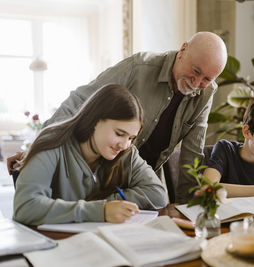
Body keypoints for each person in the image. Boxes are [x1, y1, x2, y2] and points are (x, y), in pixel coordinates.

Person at [8, 31, 228, 203]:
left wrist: (187, 209)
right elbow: (80, 101)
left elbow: (193, 152)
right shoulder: (139, 67)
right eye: (195, 71)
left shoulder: (206, 92)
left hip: (144, 174)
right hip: (107, 169)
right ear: (183, 50)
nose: (197, 83)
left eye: (207, 78)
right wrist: (38, 146)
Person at [13, 84, 168, 225]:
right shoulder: (52, 143)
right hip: (56, 246)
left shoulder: (127, 152)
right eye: (119, 133)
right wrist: (100, 210)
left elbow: (158, 194)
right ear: (95, 121)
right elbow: (26, 206)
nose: (124, 144)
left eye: (131, 138)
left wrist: (109, 204)